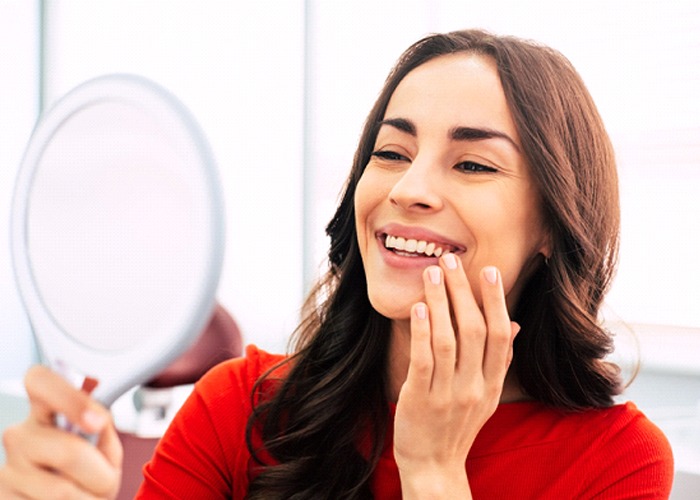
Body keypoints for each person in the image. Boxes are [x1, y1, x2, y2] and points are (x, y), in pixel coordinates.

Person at [0, 29, 673, 499]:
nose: (408, 188)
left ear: (553, 226)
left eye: (472, 163)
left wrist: (434, 471)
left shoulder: (616, 463)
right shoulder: (238, 409)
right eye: (390, 153)